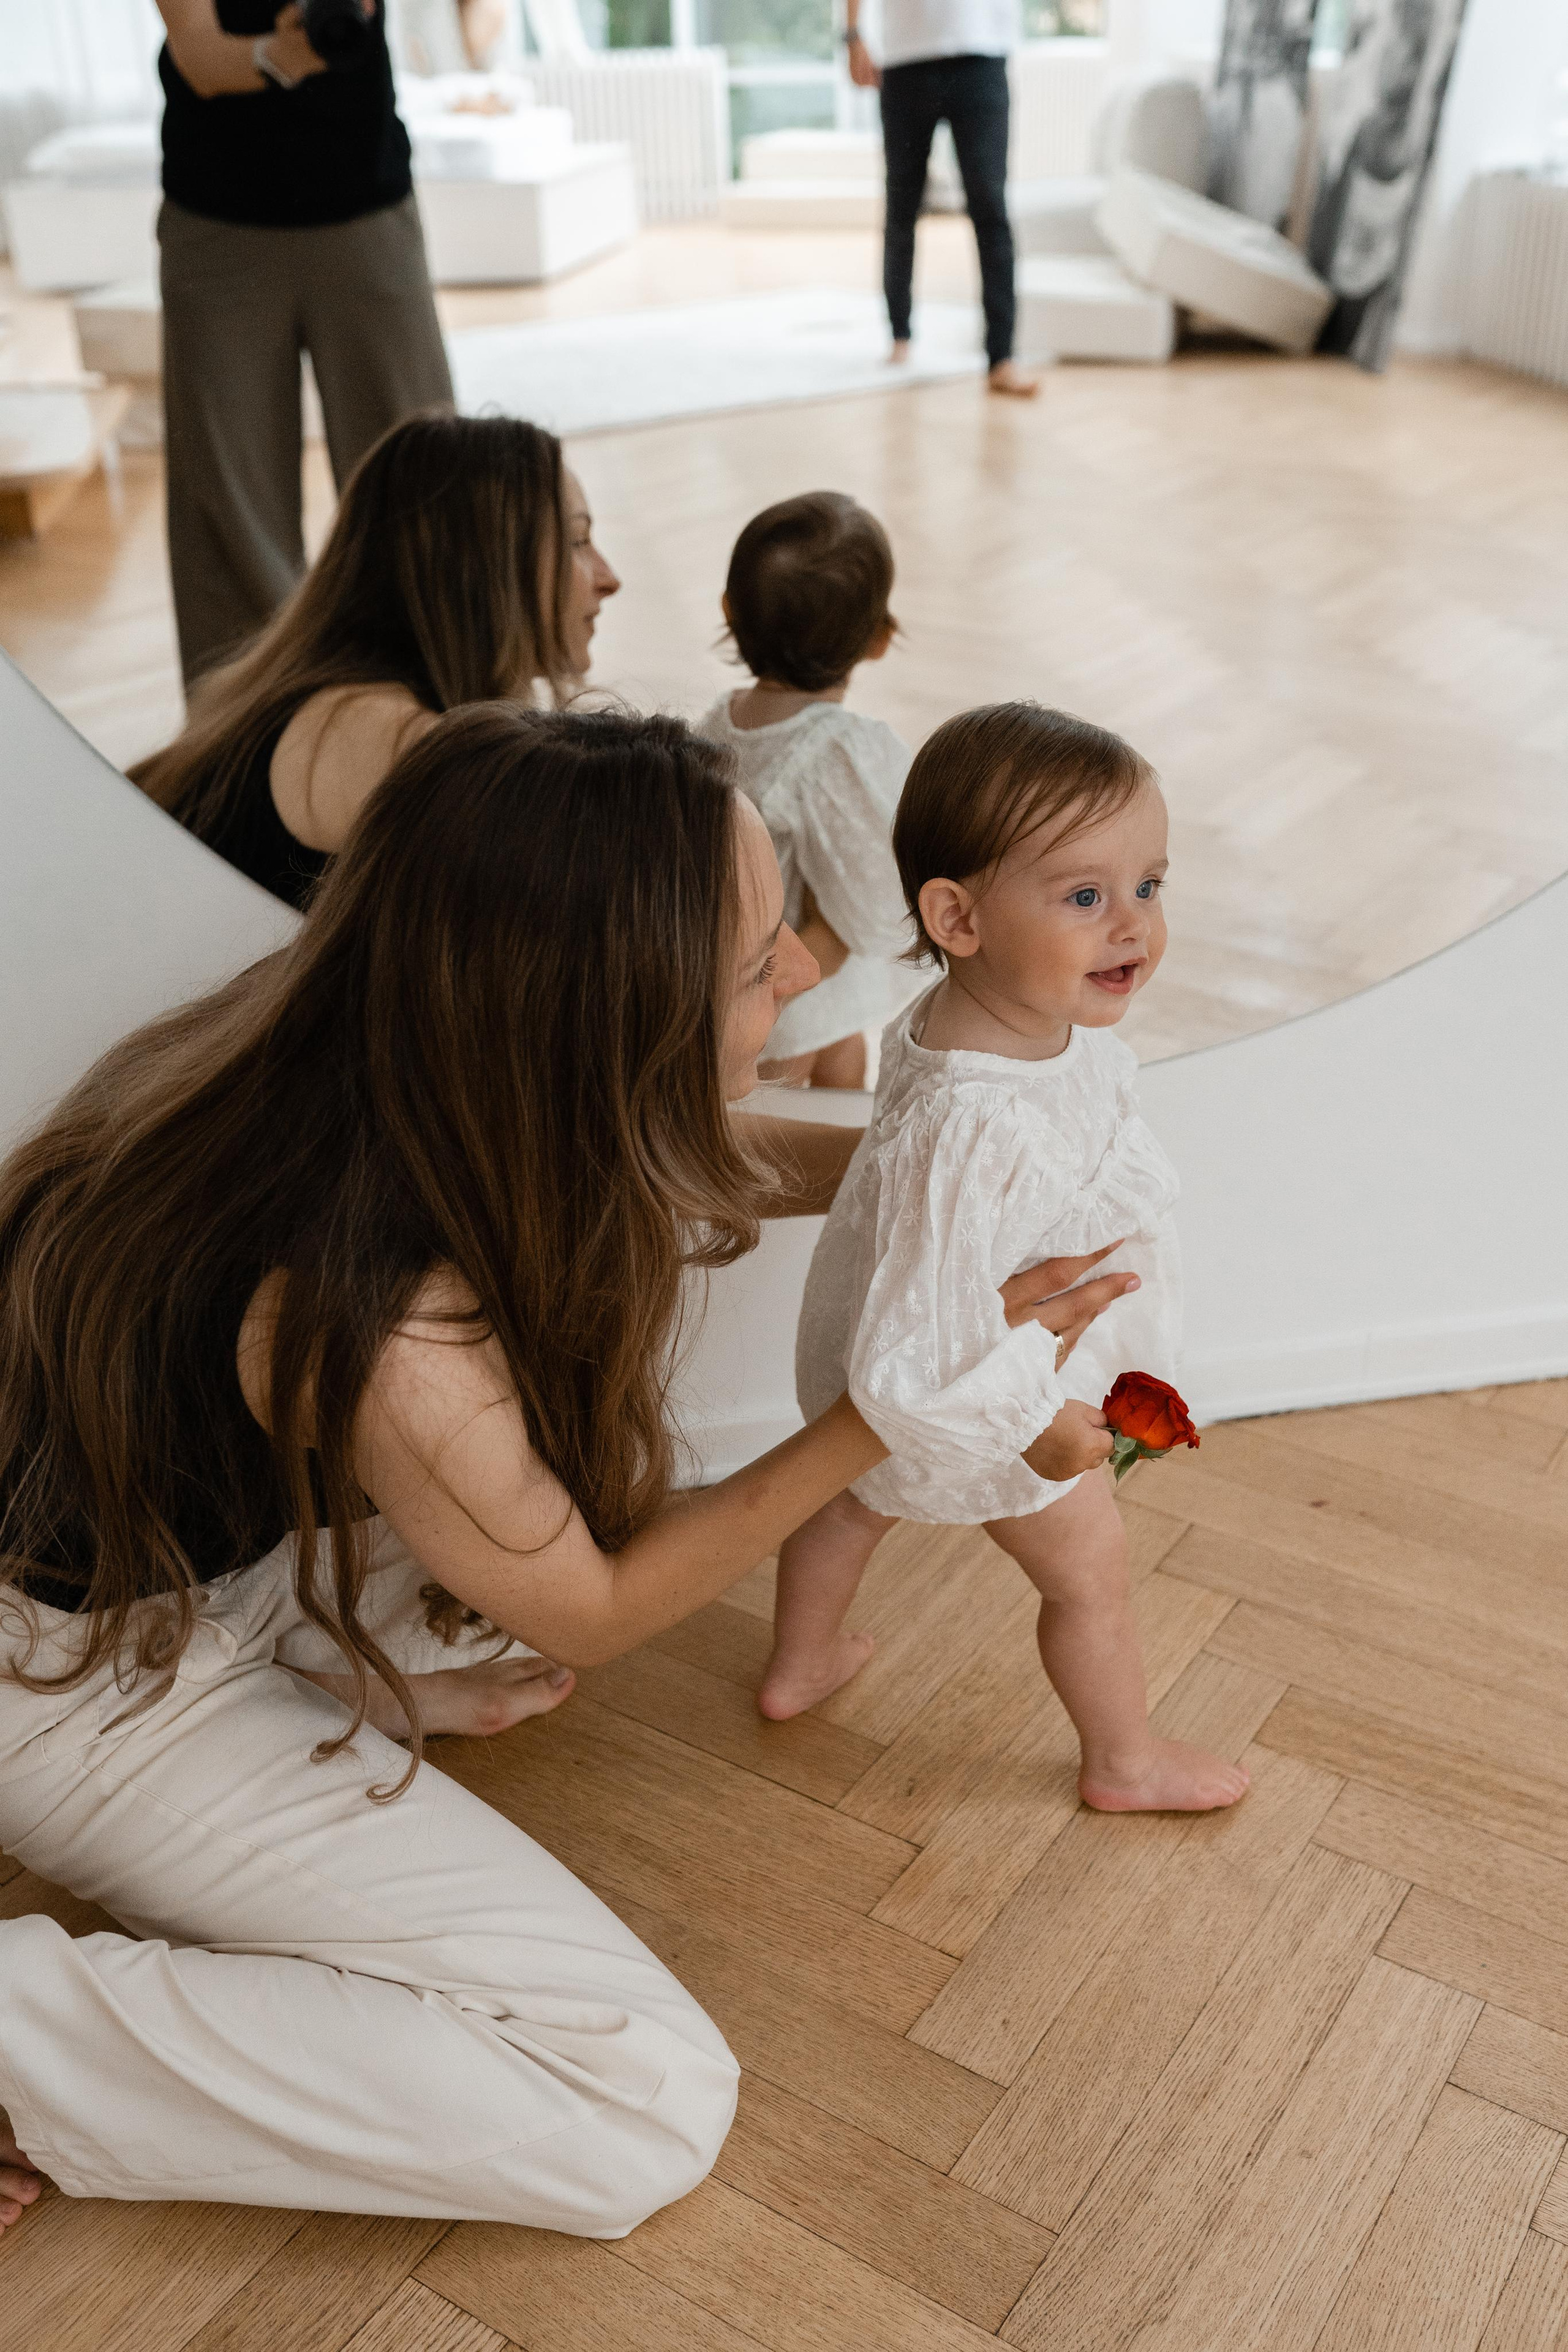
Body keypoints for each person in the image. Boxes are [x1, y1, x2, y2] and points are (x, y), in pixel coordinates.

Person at [0, 702, 1134, 2236]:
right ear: (597, 1015)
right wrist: (901, 1400)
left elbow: (694, 1150)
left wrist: (934, 1157)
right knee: (636, 2097)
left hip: (195, 1568)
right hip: (74, 1680)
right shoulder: (381, 1311)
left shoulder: (388, 1040)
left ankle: (327, 1673)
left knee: (508, 1589)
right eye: (755, 960)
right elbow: (599, 1607)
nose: (802, 967)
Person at [766, 702, 1250, 1819]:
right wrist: (1034, 1422)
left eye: (1151, 886)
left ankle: (804, 1660)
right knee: (1091, 1576)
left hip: (906, 1372)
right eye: (1086, 897)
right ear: (959, 916)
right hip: (980, 1391)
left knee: (847, 1501)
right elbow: (930, 1326)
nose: (1132, 926)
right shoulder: (981, 1116)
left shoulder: (974, 1019)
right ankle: (1124, 1761)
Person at [131, 412, 620, 910]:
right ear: (482, 571)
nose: (609, 577)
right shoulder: (381, 736)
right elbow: (614, 888)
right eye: (578, 542)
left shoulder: (339, 701)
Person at [154, 0, 464, 686]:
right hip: (218, 228)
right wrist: (276, 54)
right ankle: (240, 735)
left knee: (422, 473)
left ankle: (447, 710)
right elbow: (199, 56)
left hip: (365, 208)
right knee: (229, 497)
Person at [699, 491, 922, 1090]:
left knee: (772, 1129)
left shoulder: (713, 728)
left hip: (735, 988)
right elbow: (884, 906)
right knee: (828, 1115)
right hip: (804, 989)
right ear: (879, 638)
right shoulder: (840, 753)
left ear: (729, 610)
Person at [844, 0, 1038, 397]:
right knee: (902, 208)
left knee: (991, 209)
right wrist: (852, 35)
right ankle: (899, 336)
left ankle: (1002, 357)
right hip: (905, 61)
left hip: (981, 55)